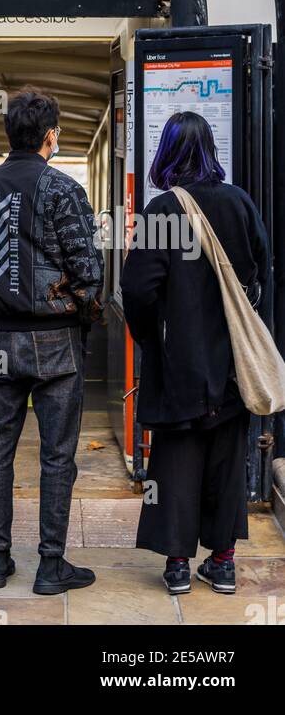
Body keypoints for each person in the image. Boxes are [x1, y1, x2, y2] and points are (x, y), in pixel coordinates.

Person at [0, 89, 104, 596]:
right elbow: (89, 272)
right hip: (56, 343)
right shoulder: (63, 190)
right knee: (57, 454)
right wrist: (78, 312)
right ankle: (50, 565)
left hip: (0, 342)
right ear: (51, 136)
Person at [121, 110, 269, 596]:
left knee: (176, 461)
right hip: (231, 363)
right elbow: (259, 274)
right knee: (227, 462)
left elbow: (138, 290)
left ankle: (179, 566)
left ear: (167, 153)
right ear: (211, 151)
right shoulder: (240, 203)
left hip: (180, 361)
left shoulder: (162, 211)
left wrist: (151, 341)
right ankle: (223, 564)